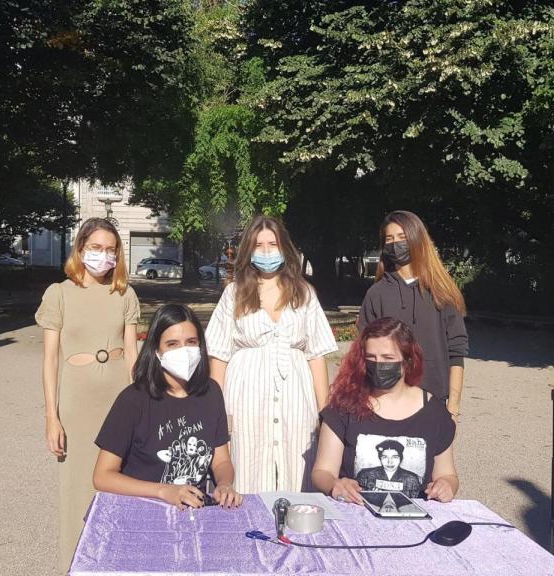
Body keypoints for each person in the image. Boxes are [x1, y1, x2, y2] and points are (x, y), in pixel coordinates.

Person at [35, 217, 140, 572]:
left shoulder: (125, 294)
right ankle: (76, 565)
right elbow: (50, 359)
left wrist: (141, 405)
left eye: (110, 249)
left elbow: (133, 355)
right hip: (76, 403)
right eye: (96, 247)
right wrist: (52, 417)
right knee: (76, 487)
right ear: (80, 249)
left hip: (118, 398)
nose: (103, 255)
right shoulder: (59, 294)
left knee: (121, 482)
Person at [206, 215, 338, 493]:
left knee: (298, 464)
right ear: (249, 250)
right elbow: (218, 356)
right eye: (259, 245)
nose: (266, 251)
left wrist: (324, 411)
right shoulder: (234, 294)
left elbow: (316, 355)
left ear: (284, 248)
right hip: (246, 398)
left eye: (272, 244)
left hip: (296, 397)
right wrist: (217, 410)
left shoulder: (304, 293)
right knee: (247, 464)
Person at [93, 304, 243, 510]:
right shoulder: (133, 400)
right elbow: (102, 476)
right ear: (156, 350)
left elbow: (221, 460)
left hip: (193, 510)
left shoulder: (211, 393)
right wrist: (163, 491)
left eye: (191, 342)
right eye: (172, 344)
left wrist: (224, 484)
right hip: (141, 509)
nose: (184, 351)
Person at [312, 317, 459, 503]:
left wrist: (446, 486)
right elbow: (322, 471)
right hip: (355, 509)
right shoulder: (344, 407)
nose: (378, 365)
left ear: (408, 360)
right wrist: (335, 484)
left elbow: (448, 475)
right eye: (371, 358)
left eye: (388, 358)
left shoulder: (435, 414)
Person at [359, 210, 468, 422]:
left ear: (417, 239)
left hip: (434, 401)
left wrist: (453, 407)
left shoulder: (442, 292)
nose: (395, 244)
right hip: (386, 400)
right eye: (389, 239)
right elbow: (364, 352)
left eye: (402, 237)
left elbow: (456, 352)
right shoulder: (376, 294)